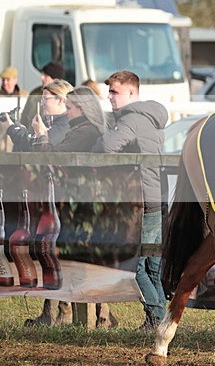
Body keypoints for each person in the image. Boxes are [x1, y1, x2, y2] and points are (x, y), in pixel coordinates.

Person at [24, 86, 118, 328]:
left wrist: (42, 136)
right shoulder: (83, 129)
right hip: (81, 199)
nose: (67, 112)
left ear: (82, 108)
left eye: (70, 107)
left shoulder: (84, 132)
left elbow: (54, 160)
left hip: (80, 201)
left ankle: (93, 318)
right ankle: (94, 317)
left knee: (80, 257)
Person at [92, 70, 168, 330]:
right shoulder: (150, 118)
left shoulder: (132, 120)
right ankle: (161, 320)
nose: (110, 97)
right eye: (109, 92)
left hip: (142, 200)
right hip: (154, 199)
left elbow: (105, 147)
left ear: (132, 93)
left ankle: (158, 318)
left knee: (135, 266)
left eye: (115, 92)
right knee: (152, 264)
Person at [3, 79, 72, 152]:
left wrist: (12, 129)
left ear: (60, 100)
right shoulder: (56, 122)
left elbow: (34, 146)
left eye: (45, 99)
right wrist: (22, 130)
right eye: (42, 100)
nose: (42, 104)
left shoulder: (64, 125)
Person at [19, 61, 65, 129]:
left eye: (46, 76)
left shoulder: (64, 96)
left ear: (55, 79)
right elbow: (24, 119)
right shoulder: (35, 94)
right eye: (42, 74)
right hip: (32, 136)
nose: (42, 78)